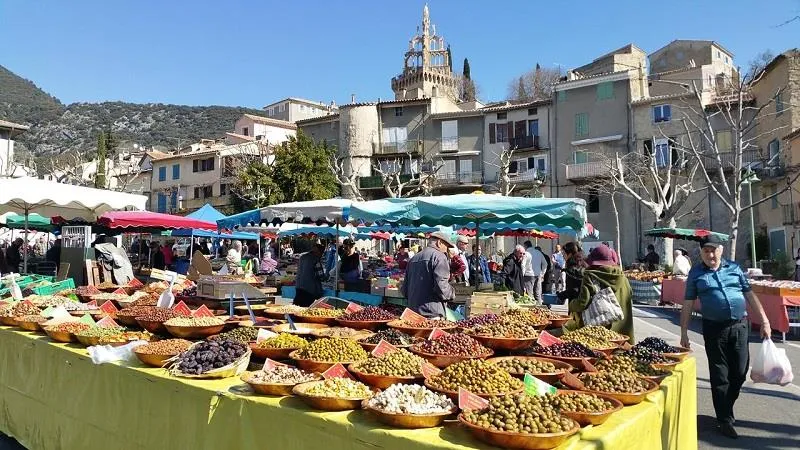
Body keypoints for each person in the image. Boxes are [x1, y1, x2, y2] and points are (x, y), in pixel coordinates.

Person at [680, 235, 771, 439]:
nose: (711, 255)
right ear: (701, 253)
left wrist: (764, 321)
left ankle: (725, 405)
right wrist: (683, 332)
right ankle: (724, 419)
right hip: (714, 330)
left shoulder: (734, 269)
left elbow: (750, 295)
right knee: (720, 375)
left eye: (714, 250)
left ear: (721, 250)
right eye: (706, 251)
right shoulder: (696, 274)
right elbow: (687, 303)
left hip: (740, 326)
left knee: (739, 372)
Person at [566, 245, 634, 341]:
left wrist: (572, 305)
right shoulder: (623, 277)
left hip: (601, 331)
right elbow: (630, 295)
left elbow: (582, 303)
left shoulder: (590, 276)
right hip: (623, 329)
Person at [401, 232, 455, 318]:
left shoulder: (413, 259)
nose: (446, 250)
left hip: (413, 313)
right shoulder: (439, 257)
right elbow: (442, 287)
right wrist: (452, 293)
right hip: (431, 313)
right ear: (439, 243)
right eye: (446, 246)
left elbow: (404, 290)